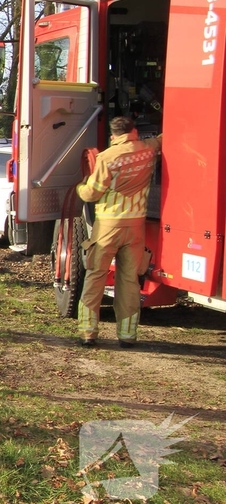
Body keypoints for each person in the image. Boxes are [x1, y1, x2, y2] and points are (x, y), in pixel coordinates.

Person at [76, 116, 162, 348]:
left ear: (113, 135)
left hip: (107, 226)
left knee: (95, 277)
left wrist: (81, 187)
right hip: (135, 227)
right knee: (129, 281)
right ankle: (127, 335)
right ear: (134, 131)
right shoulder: (148, 149)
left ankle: (88, 333)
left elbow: (92, 193)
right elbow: (162, 140)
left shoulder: (106, 158)